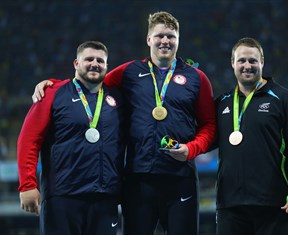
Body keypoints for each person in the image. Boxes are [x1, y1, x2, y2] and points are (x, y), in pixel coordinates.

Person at [31, 11, 216, 235]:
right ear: (149, 39)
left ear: (178, 40)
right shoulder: (129, 72)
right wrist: (54, 86)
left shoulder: (197, 78)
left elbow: (209, 125)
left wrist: (191, 149)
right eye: (159, 36)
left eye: (171, 36)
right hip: (138, 180)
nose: (165, 41)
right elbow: (89, 82)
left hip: (180, 177)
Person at [18, 41, 126, 235]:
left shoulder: (117, 98)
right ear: (76, 63)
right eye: (89, 59)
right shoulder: (52, 93)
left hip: (104, 197)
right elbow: (28, 140)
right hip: (62, 196)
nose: (95, 63)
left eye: (100, 60)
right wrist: (27, 185)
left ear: (107, 67)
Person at [214, 37, 288, 235]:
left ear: (262, 62)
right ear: (232, 63)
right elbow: (205, 138)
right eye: (242, 60)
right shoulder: (222, 103)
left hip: (274, 204)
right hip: (230, 207)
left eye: (253, 61)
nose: (247, 66)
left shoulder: (284, 99)